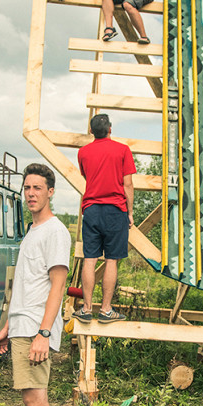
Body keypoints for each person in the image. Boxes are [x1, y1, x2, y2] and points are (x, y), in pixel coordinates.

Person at [0, 163, 71, 406]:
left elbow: (58, 286)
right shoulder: (32, 231)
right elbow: (26, 286)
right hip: (23, 324)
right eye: (27, 188)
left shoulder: (55, 231)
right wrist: (8, 326)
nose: (31, 193)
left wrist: (44, 333)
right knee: (33, 399)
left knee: (35, 400)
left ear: (51, 192)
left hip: (36, 326)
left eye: (37, 188)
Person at [73, 114, 135, 324]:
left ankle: (86, 309)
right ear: (110, 129)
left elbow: (88, 176)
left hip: (91, 210)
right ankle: (106, 310)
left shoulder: (83, 152)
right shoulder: (123, 150)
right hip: (115, 210)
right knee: (111, 260)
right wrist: (129, 212)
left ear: (91, 131)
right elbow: (128, 184)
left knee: (90, 259)